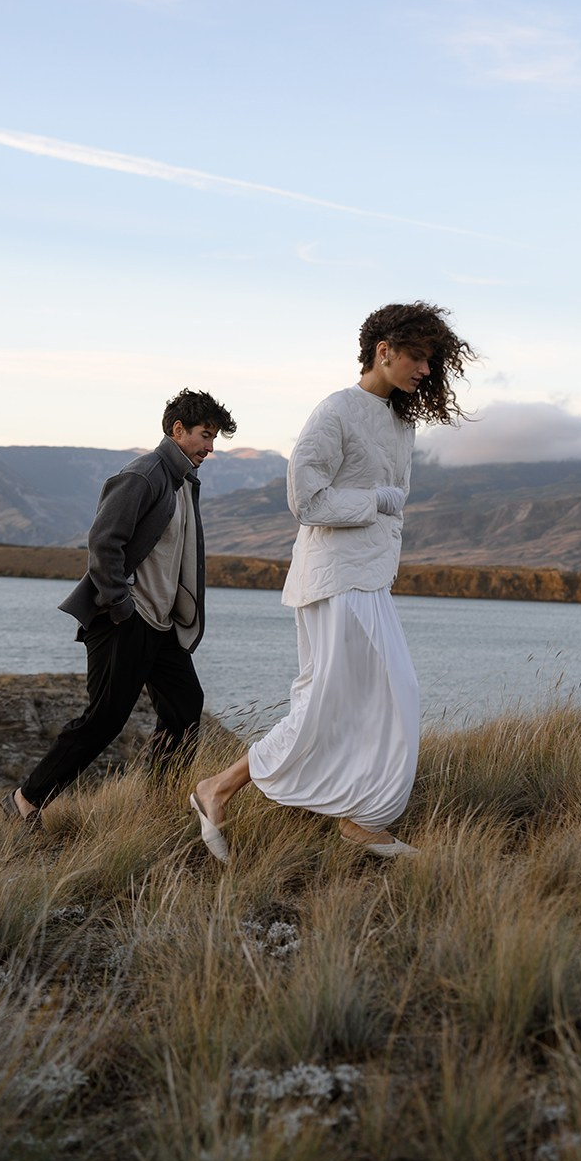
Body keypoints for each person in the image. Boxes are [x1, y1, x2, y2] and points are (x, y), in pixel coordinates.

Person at [188, 302, 476, 863]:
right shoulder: (336, 411)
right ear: (383, 350)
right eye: (417, 356)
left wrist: (382, 515)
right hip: (334, 577)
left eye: (430, 360)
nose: (424, 369)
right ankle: (227, 791)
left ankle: (356, 818)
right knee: (355, 699)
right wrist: (374, 501)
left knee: (358, 702)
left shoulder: (400, 419)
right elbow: (306, 499)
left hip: (370, 577)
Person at [0, 387, 237, 825]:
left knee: (185, 708)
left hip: (159, 624)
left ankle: (158, 804)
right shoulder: (144, 474)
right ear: (177, 429)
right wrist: (120, 605)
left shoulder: (182, 479)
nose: (209, 447)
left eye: (214, 439)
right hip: (124, 620)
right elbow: (104, 541)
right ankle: (25, 802)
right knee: (104, 720)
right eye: (205, 436)